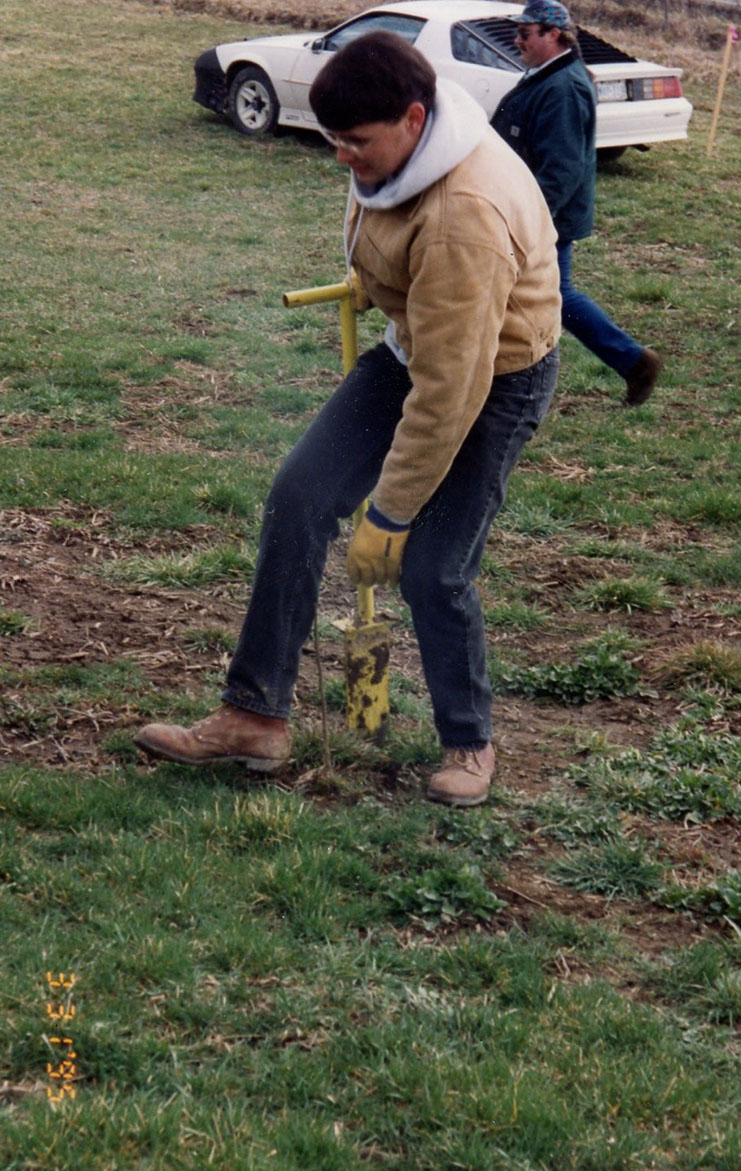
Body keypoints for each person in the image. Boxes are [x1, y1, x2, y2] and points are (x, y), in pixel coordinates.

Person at [134, 31, 561, 807]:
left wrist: (390, 514)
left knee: (432, 565)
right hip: (418, 346)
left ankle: (469, 741)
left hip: (493, 378)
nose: (342, 158)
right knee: (300, 495)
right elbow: (387, 229)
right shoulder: (401, 140)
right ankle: (253, 715)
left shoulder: (464, 211)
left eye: (355, 143)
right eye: (334, 140)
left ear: (411, 116)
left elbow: (450, 390)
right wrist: (382, 281)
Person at [491, 0, 661, 405]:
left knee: (553, 296)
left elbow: (562, 170)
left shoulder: (563, 87)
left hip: (543, 217)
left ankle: (634, 361)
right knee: (537, 294)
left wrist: (525, 221)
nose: (517, 41)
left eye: (525, 33)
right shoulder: (548, 76)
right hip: (531, 211)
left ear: (554, 35)